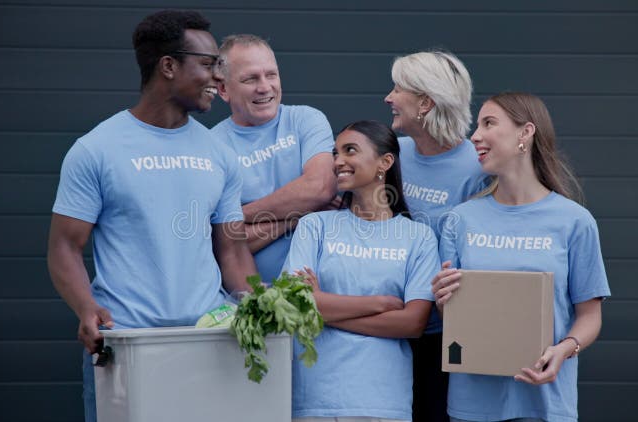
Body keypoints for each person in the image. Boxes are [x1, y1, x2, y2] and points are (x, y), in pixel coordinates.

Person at [46, 10, 256, 422]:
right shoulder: (96, 150)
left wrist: (254, 302)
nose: (219, 77)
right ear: (169, 66)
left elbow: (231, 249)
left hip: (207, 343)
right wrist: (85, 308)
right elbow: (65, 247)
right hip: (126, 344)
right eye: (209, 64)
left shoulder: (220, 154)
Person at [432, 92, 611, 422]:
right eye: (476, 125)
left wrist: (564, 349)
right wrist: (444, 301)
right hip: (473, 406)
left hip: (544, 404)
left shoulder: (574, 221)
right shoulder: (460, 219)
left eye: (489, 123)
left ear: (525, 133)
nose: (475, 135)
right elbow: (453, 318)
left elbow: (590, 316)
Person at [283, 120, 440, 422]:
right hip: (316, 399)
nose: (338, 161)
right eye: (335, 153)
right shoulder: (315, 226)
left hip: (384, 402)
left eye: (350, 151)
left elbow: (412, 323)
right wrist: (378, 304)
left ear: (385, 161)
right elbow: (299, 306)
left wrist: (325, 308)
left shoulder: (418, 237)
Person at [384, 50, 485, 422]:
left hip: (443, 335)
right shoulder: (393, 155)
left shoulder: (478, 166)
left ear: (425, 102)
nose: (388, 98)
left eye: (398, 89)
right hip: (386, 324)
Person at [212, 34, 337, 284]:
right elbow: (221, 245)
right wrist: (301, 214)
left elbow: (320, 188)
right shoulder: (211, 145)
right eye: (250, 78)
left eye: (271, 74)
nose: (265, 86)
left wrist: (236, 216)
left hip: (324, 296)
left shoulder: (306, 120)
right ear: (223, 89)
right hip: (254, 300)